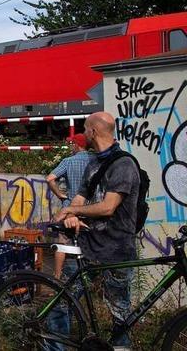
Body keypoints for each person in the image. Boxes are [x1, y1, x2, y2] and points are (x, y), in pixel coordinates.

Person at [53, 112, 140, 349]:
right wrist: (71, 214)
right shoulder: (93, 163)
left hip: (117, 251)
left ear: (93, 132)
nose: (82, 134)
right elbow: (81, 197)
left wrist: (70, 209)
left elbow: (108, 206)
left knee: (120, 316)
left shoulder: (124, 164)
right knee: (61, 302)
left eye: (84, 129)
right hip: (89, 247)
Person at [46, 133, 95, 279]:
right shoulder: (96, 160)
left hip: (70, 208)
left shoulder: (68, 161)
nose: (70, 147)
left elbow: (50, 178)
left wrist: (60, 195)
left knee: (63, 242)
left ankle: (57, 275)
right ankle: (91, 278)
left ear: (77, 145)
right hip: (92, 209)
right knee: (92, 242)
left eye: (72, 144)